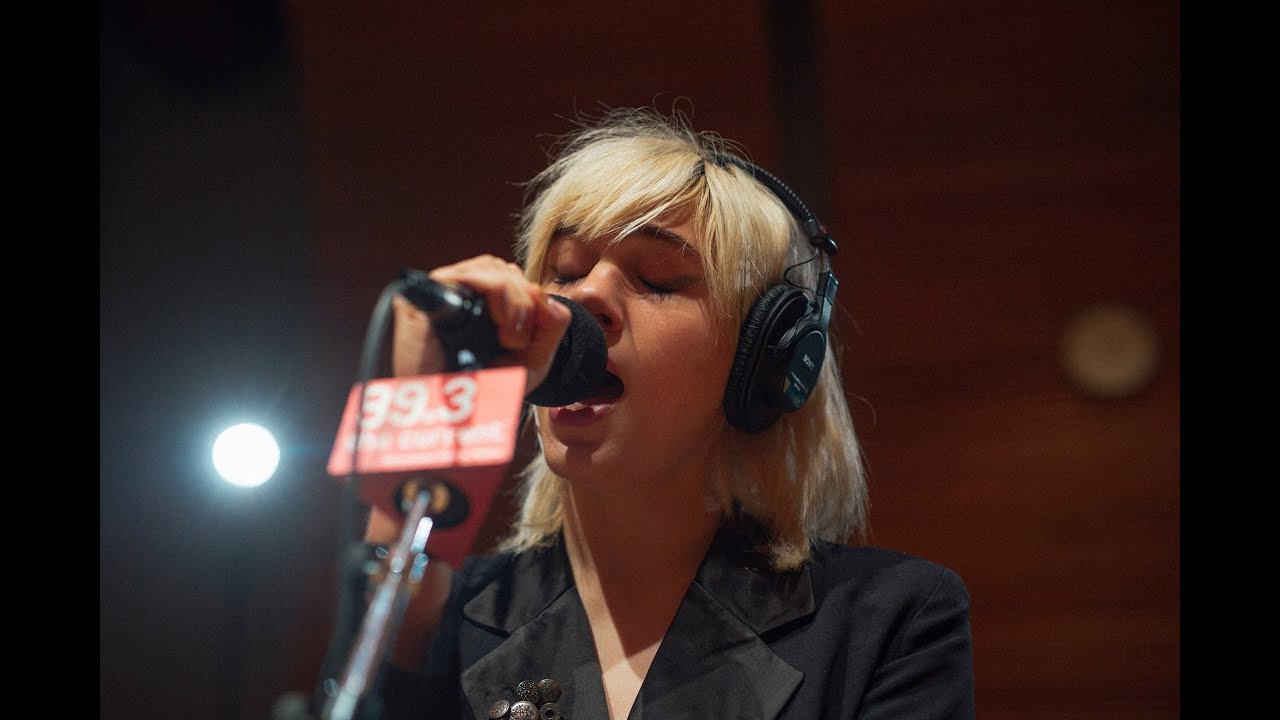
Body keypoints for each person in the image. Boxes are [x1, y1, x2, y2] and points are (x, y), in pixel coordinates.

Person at [359, 106, 975, 719]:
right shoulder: (444, 614)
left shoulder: (889, 623)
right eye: (567, 272)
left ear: (760, 359)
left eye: (658, 280)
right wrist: (426, 396)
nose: (588, 296)